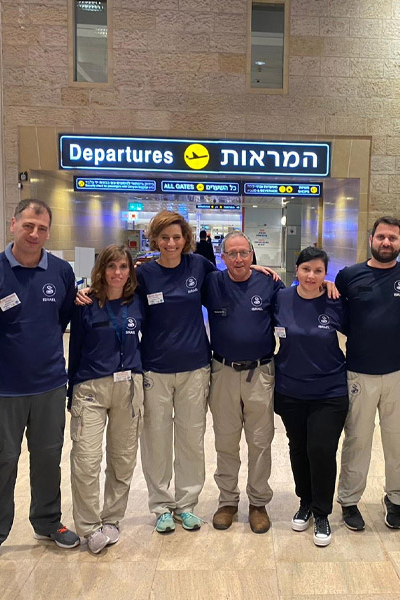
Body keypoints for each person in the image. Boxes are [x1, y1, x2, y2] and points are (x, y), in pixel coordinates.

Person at [0, 199, 78, 574]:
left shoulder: (62, 272)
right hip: (1, 388)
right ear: (13, 223)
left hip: (49, 384)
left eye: (42, 228)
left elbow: (61, 318)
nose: (35, 234)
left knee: (48, 458)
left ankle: (48, 522)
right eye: (29, 225)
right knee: (1, 462)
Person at [336, 216, 400, 531]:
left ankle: (396, 499)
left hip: (398, 372)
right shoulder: (349, 276)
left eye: (393, 238)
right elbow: (334, 306)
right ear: (371, 238)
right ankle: (348, 500)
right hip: (359, 372)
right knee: (357, 440)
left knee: (396, 441)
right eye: (381, 237)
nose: (387, 243)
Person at [138, 211, 218, 533]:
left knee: (190, 440)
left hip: (195, 368)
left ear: (185, 239)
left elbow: (232, 279)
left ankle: (186, 505)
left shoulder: (198, 267)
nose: (171, 243)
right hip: (155, 368)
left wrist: (257, 267)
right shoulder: (144, 274)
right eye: (164, 237)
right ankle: (161, 506)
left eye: (176, 237)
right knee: (156, 440)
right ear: (154, 240)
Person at [203, 231, 284, 534]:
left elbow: (298, 303)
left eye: (244, 253)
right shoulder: (211, 282)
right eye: (231, 253)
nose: (238, 259)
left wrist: (327, 284)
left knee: (260, 442)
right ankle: (227, 501)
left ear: (253, 255)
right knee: (225, 440)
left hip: (260, 373)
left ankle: (258, 503)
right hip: (222, 371)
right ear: (222, 257)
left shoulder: (269, 283)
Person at [67, 245, 144, 554]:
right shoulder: (85, 303)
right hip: (91, 388)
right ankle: (88, 527)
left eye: (123, 267)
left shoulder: (138, 302)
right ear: (101, 270)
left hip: (128, 387)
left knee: (122, 459)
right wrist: (71, 389)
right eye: (111, 267)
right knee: (86, 460)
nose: (117, 273)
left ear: (130, 271)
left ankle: (112, 519)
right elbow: (74, 349)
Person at [274, 246, 348, 547]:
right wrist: (256, 267)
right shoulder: (280, 299)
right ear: (297, 269)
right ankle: (304, 502)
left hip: (329, 391)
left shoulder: (335, 301)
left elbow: (362, 332)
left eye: (318, 271)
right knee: (298, 447)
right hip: (290, 389)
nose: (311, 276)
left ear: (325, 274)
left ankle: (322, 512)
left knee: (321, 448)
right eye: (306, 269)